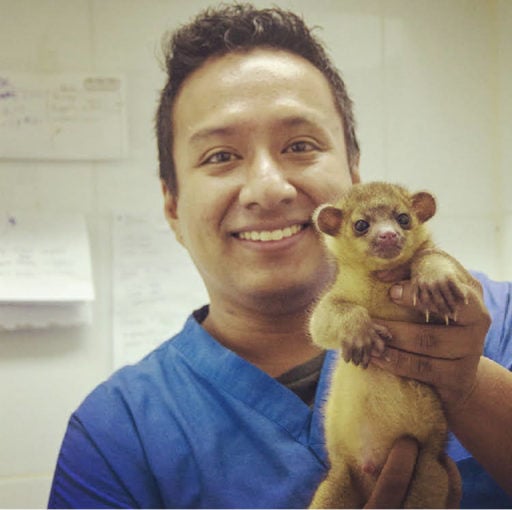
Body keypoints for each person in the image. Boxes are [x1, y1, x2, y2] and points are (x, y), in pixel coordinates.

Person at [48, 4, 512, 508]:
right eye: (220, 156)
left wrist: (468, 386)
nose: (268, 189)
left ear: (354, 179)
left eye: (300, 144)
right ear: (173, 207)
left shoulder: (498, 321)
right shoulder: (118, 433)